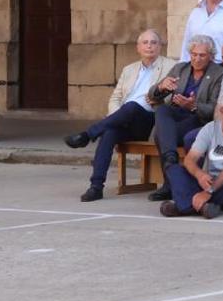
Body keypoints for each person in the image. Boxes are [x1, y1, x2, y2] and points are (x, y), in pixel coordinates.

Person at [67, 29, 176, 202]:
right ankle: (96, 187)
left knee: (132, 106)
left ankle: (88, 135)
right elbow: (116, 98)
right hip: (124, 118)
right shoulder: (129, 69)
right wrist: (116, 118)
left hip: (148, 120)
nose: (149, 46)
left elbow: (171, 98)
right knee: (109, 132)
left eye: (154, 42)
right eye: (145, 43)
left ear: (160, 47)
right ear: (138, 48)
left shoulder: (171, 67)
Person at [146, 35, 223, 201]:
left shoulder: (219, 73)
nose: (197, 59)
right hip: (176, 118)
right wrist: (162, 86)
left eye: (202, 55)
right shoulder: (181, 68)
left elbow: (216, 108)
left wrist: (193, 106)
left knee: (161, 135)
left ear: (211, 56)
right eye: (194, 54)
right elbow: (152, 95)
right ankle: (171, 158)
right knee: (162, 110)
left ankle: (169, 184)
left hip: (199, 120)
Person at [160, 91, 223, 219]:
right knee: (174, 169)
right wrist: (199, 175)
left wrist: (209, 192)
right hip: (208, 180)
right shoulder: (210, 128)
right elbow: (190, 159)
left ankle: (184, 206)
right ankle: (203, 207)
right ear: (222, 111)